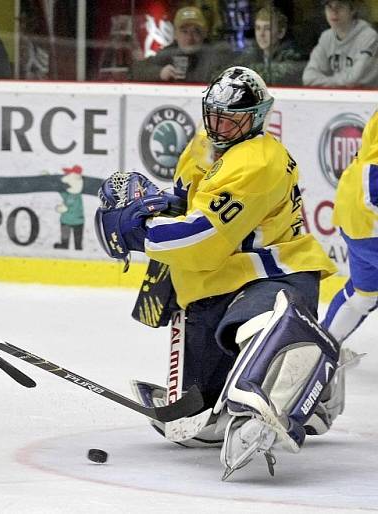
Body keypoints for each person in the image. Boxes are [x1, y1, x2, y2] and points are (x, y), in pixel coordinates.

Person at [95, 66, 339, 479]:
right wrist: (146, 205)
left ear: (257, 118)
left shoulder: (259, 162)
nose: (221, 126)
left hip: (274, 274)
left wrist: (140, 232)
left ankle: (298, 384)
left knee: (257, 328)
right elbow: (182, 202)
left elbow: (203, 235)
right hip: (218, 279)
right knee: (203, 407)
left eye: (233, 119)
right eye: (215, 115)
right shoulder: (204, 145)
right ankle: (318, 395)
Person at [322, 110, 378, 344]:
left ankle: (316, 351)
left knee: (363, 296)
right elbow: (372, 184)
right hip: (368, 215)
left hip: (357, 214)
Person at [130, 6, 233, 83]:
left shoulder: (217, 54)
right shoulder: (168, 53)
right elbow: (135, 71)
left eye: (196, 31)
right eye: (184, 32)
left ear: (205, 34)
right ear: (175, 34)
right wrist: (159, 73)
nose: (190, 38)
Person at [302, 0, 378, 88]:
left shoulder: (368, 36)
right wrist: (335, 82)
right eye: (329, 7)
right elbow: (308, 77)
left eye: (340, 6)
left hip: (368, 98)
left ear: (352, 10)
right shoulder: (326, 37)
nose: (334, 12)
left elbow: (353, 80)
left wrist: (323, 81)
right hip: (337, 96)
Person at [238, 6, 305, 86]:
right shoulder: (251, 53)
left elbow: (275, 75)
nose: (261, 34)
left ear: (281, 33)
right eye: (258, 28)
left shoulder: (294, 55)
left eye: (267, 29)